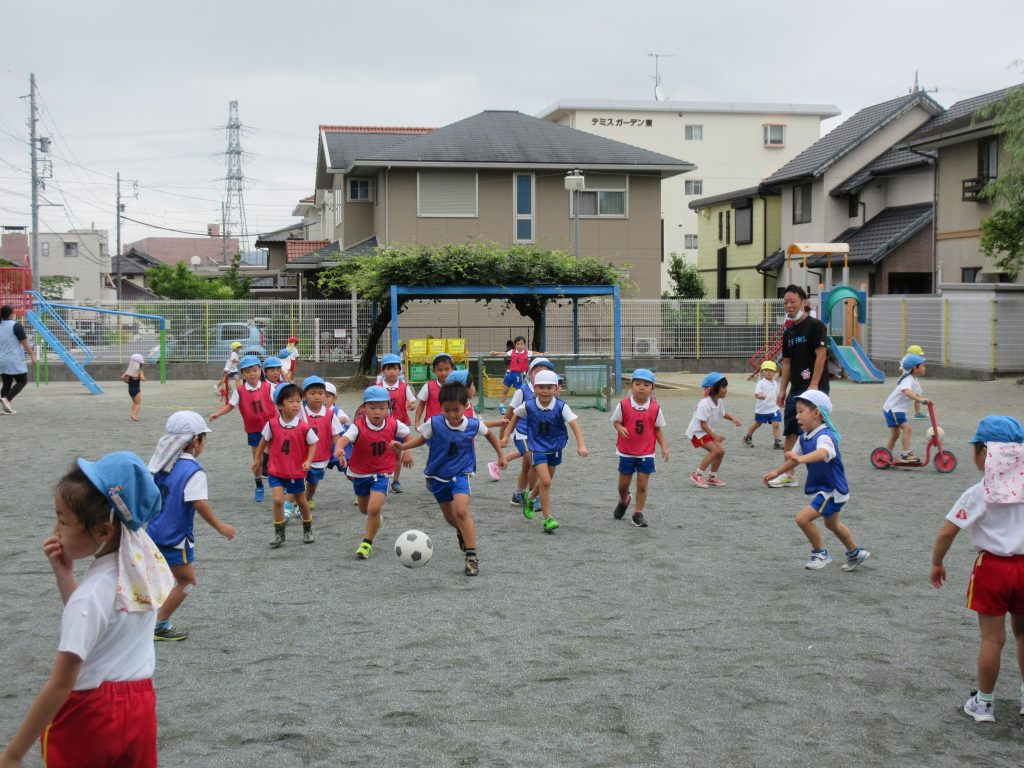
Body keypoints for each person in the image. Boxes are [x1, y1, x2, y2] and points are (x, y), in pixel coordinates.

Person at [0, 452, 174, 768]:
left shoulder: (92, 595)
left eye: (64, 521)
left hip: (87, 712)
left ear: (104, 532)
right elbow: (99, 628)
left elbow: (61, 682)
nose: (55, 530)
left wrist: (13, 754)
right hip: (140, 706)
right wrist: (65, 576)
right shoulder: (139, 571)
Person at [929, 415, 1024, 723]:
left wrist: (936, 562)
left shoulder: (979, 492)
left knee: (992, 639)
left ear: (984, 453)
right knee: (1023, 634)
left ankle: (983, 704)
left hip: (993, 569)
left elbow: (947, 532)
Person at [396, 380, 506, 575]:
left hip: (461, 474)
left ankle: (471, 557)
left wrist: (500, 456)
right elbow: (422, 439)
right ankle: (461, 531)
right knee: (450, 517)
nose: (452, 415)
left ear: (465, 406)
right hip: (438, 476)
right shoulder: (435, 423)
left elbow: (489, 434)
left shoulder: (473, 424)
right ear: (441, 408)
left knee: (462, 511)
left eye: (456, 410)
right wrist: (403, 447)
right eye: (447, 410)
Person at [146, 411, 236, 641]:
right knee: (187, 581)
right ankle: (160, 623)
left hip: (154, 532)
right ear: (196, 441)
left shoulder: (161, 464)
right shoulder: (193, 471)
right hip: (175, 537)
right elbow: (199, 503)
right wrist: (221, 526)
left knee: (158, 579)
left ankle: (146, 619)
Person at [763, 390, 870, 572]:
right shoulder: (805, 437)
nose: (797, 417)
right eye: (796, 412)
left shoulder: (825, 436)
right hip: (828, 490)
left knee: (802, 519)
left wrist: (801, 460)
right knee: (832, 524)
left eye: (801, 411)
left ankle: (820, 553)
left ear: (817, 413)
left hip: (833, 490)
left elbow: (823, 453)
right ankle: (855, 553)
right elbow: (793, 457)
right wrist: (777, 472)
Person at [507, 369, 588, 533]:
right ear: (534, 388)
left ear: (556, 389)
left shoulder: (561, 406)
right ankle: (547, 518)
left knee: (546, 480)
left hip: (555, 446)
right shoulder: (528, 405)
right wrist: (507, 434)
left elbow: (574, 424)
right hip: (536, 447)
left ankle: (529, 498)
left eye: (549, 387)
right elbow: (515, 415)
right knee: (546, 481)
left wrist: (581, 444)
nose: (545, 391)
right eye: (541, 387)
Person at [335, 386, 412, 560]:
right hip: (360, 472)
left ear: (388, 408)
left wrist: (407, 450)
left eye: (382, 408)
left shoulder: (393, 423)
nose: (377, 412)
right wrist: (339, 448)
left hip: (383, 471)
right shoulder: (358, 426)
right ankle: (376, 519)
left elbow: (408, 436)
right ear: (364, 408)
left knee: (374, 508)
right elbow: (345, 438)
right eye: (372, 408)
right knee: (365, 509)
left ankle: (366, 543)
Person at [771, 285, 830, 488]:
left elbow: (821, 355)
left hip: (815, 389)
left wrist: (813, 385)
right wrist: (781, 389)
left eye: (792, 301)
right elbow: (786, 363)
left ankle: (824, 474)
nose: (788, 305)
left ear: (804, 302)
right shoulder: (788, 332)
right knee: (791, 430)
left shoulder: (815, 326)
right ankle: (789, 474)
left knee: (815, 432)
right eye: (785, 302)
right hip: (795, 389)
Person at [252, 383, 318, 549]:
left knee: (302, 501)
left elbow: (313, 444)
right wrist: (257, 458)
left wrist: (308, 460)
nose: (296, 404)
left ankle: (307, 528)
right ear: (280, 404)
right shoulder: (272, 424)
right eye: (291, 401)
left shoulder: (303, 426)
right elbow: (263, 441)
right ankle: (279, 533)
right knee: (278, 499)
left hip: (295, 472)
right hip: (276, 471)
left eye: (298, 401)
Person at [490, 357, 555, 507]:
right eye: (537, 372)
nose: (541, 376)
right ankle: (534, 496)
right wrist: (503, 433)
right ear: (530, 373)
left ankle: (518, 494)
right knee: (532, 461)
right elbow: (510, 413)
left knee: (527, 466)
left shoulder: (550, 392)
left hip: (539, 436)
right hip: (522, 433)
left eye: (546, 373)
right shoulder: (522, 391)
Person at [209, 354, 275, 502]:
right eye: (247, 371)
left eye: (254, 370)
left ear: (260, 371)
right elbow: (231, 406)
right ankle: (259, 485)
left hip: (271, 428)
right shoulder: (240, 391)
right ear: (242, 374)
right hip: (253, 430)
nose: (251, 374)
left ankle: (278, 482)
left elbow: (280, 403)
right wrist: (218, 414)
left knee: (275, 455)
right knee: (256, 459)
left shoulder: (269, 387)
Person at [611, 369, 669, 528]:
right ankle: (624, 500)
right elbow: (616, 421)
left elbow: (657, 429)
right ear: (631, 386)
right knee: (623, 485)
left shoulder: (655, 408)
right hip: (626, 451)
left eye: (646, 385)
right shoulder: (623, 405)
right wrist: (619, 427)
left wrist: (664, 447)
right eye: (637, 384)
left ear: (652, 389)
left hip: (646, 452)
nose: (641, 388)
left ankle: (638, 512)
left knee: (642, 484)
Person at [684, 372, 741, 488]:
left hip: (706, 432)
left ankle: (712, 477)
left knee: (721, 451)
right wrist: (715, 436)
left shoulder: (718, 401)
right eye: (723, 387)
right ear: (714, 389)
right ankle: (697, 474)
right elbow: (702, 424)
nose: (726, 390)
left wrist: (733, 419)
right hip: (697, 433)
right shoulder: (704, 404)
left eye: (726, 387)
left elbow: (722, 413)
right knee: (715, 451)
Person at [300, 375, 346, 510]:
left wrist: (340, 453)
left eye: (321, 393)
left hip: (320, 458)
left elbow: (336, 435)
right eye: (312, 393)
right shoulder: (299, 413)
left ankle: (304, 502)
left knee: (312, 484)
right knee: (296, 483)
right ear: (304, 396)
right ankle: (290, 507)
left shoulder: (330, 415)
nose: (317, 397)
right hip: (301, 456)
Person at [882, 353, 929, 463]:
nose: (924, 367)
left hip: (895, 409)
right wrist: (920, 400)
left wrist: (925, 400)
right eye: (922, 365)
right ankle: (906, 454)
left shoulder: (914, 380)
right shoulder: (908, 379)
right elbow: (906, 391)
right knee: (907, 429)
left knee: (895, 434)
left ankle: (885, 454)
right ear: (915, 368)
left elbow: (918, 394)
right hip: (893, 409)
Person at [378, 353, 414, 492]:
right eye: (388, 368)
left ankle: (396, 480)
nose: (391, 371)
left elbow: (412, 403)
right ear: (383, 371)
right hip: (383, 426)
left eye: (394, 368)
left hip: (400, 425)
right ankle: (382, 477)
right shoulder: (379, 387)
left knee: (398, 453)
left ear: (400, 370)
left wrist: (411, 406)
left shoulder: (404, 387)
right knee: (383, 452)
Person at [0, 304, 36, 415]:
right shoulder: (16, 326)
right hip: (14, 359)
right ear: (11, 313)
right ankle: (7, 399)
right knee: (22, 381)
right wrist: (32, 355)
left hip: (2, 359)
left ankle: (5, 408)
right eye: (14, 311)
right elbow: (25, 343)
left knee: (7, 383)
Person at [490, 336, 539, 415]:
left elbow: (535, 353)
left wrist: (543, 353)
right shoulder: (512, 351)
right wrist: (496, 353)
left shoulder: (528, 352)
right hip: (510, 373)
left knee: (518, 392)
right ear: (515, 345)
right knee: (505, 390)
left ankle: (517, 407)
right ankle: (501, 407)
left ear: (524, 345)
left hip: (519, 374)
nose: (520, 346)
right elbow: (504, 353)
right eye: (518, 344)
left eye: (521, 344)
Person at [744, 360, 783, 450]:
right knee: (757, 424)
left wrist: (780, 402)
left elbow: (777, 395)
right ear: (762, 371)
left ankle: (777, 441)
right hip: (762, 409)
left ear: (775, 372)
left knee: (776, 424)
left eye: (771, 370)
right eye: (766, 370)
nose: (769, 372)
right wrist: (760, 396)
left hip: (774, 409)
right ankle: (747, 437)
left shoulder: (775, 383)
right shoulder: (761, 383)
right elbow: (757, 394)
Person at [413, 352, 455, 427]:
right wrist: (417, 422)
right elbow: (421, 404)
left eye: (447, 369)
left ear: (452, 369)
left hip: (452, 423)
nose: (443, 372)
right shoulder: (428, 386)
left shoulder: (457, 387)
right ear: (434, 371)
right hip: (431, 424)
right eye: (440, 370)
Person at [903, 345, 927, 418]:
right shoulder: (907, 360)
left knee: (917, 394)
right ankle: (917, 413)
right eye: (918, 355)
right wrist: (920, 399)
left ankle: (917, 413)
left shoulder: (906, 359)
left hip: (912, 378)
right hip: (908, 379)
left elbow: (900, 369)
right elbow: (900, 368)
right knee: (917, 395)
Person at [122, 353, 146, 422]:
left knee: (134, 403)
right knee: (138, 403)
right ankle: (134, 415)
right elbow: (142, 378)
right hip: (137, 390)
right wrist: (144, 379)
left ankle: (132, 414)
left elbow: (123, 378)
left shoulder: (128, 372)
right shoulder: (139, 371)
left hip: (130, 390)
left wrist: (128, 382)